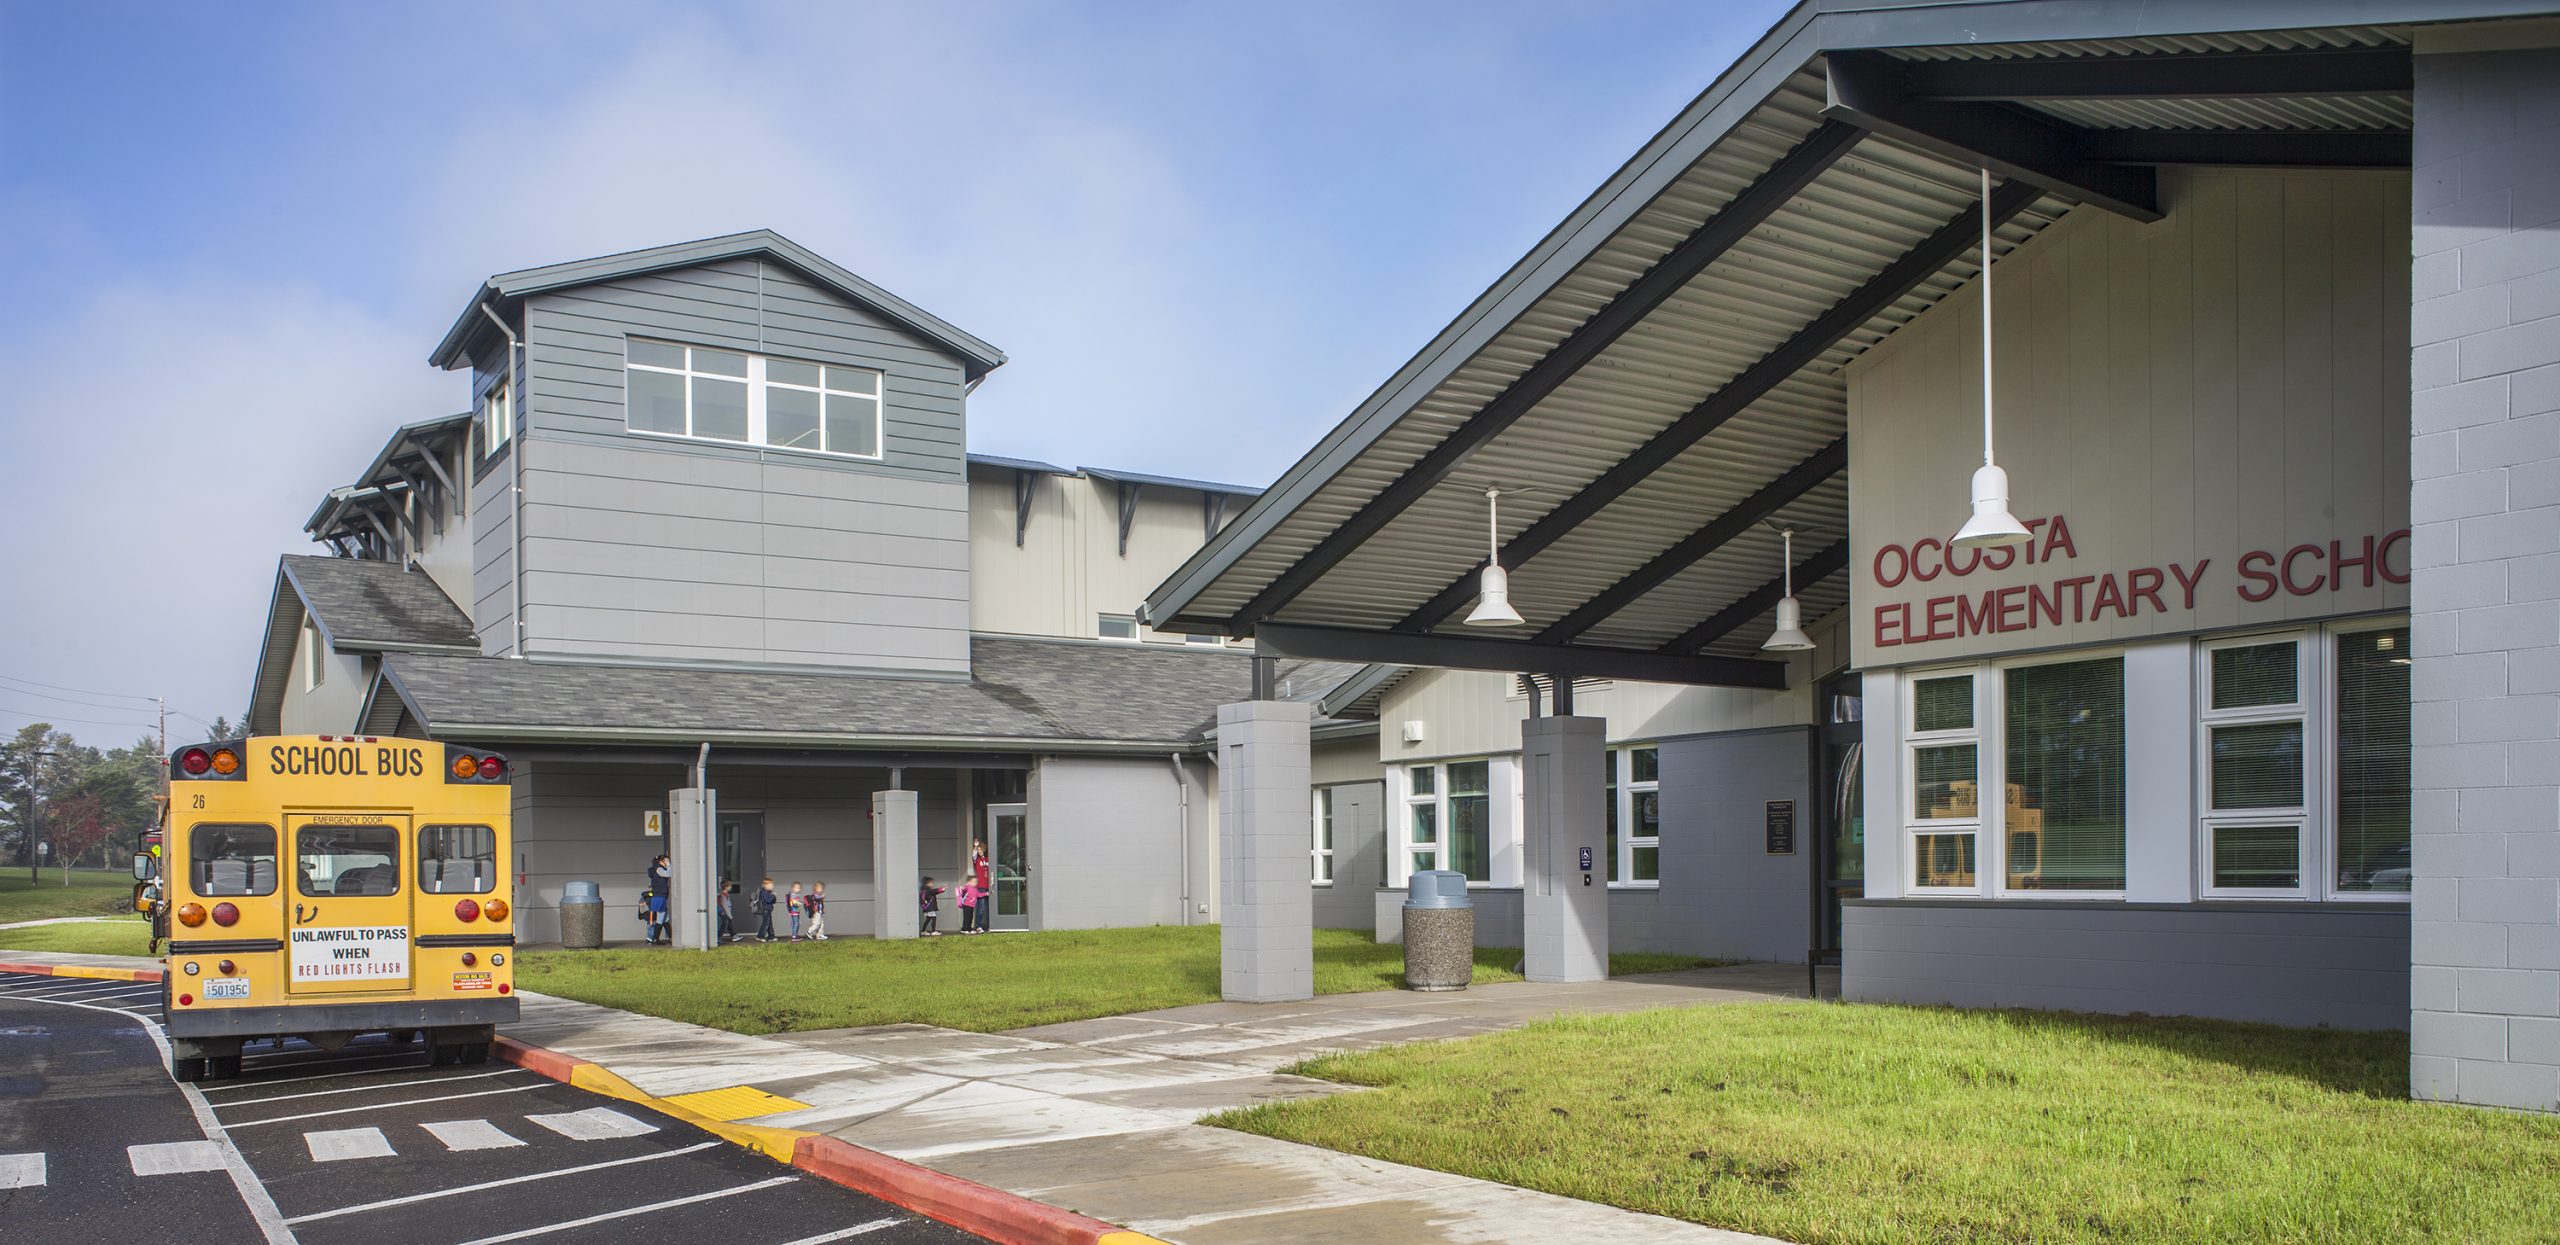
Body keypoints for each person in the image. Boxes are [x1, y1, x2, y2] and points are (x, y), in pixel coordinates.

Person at [646, 854, 672, 945]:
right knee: (661, 918)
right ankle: (655, 939)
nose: (668, 862)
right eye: (666, 860)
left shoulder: (658, 869)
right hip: (659, 896)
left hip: (659, 896)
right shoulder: (659, 869)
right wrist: (669, 865)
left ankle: (671, 937)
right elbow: (669, 874)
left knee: (666, 919)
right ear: (661, 861)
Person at [753, 877, 779, 942]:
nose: (772, 886)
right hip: (765, 910)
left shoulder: (768, 892)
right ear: (766, 885)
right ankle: (760, 936)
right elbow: (768, 900)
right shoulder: (764, 892)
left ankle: (771, 936)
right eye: (771, 885)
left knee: (769, 924)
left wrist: (773, 896)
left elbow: (773, 901)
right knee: (766, 924)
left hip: (768, 910)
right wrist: (773, 895)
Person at [716, 879, 736, 944]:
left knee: (728, 924)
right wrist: (729, 915)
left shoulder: (725, 894)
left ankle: (733, 935)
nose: (731, 887)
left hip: (724, 912)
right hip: (724, 913)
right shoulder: (724, 895)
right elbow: (724, 905)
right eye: (730, 886)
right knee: (723, 925)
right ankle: (717, 938)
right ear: (726, 887)